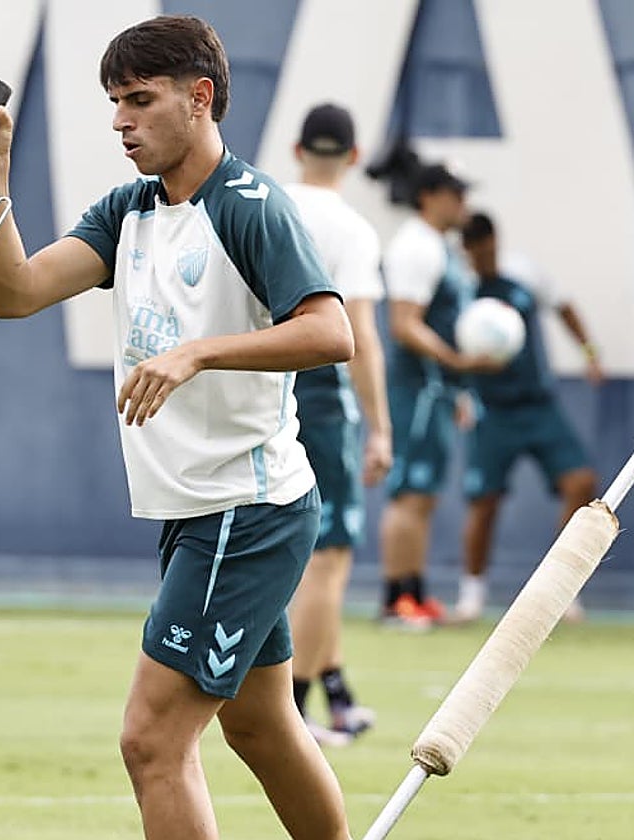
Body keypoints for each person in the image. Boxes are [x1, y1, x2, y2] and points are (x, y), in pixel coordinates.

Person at [0, 15, 353, 840]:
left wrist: (199, 354)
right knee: (259, 727)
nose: (119, 122)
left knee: (152, 739)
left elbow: (329, 333)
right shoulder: (128, 211)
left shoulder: (250, 207)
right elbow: (16, 291)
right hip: (196, 508)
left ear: (199, 98)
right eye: (112, 102)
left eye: (140, 100)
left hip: (245, 508)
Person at [284, 104, 391, 745]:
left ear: (298, 149)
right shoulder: (351, 228)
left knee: (308, 556)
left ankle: (335, 691)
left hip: (258, 379)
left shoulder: (266, 204)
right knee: (330, 556)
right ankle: (292, 712)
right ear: (353, 157)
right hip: (320, 393)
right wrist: (381, 427)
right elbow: (361, 337)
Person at [454, 211, 601, 622]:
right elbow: (452, 351)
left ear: (495, 241)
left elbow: (564, 306)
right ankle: (472, 595)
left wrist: (588, 353)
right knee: (484, 501)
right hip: (492, 411)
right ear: (465, 250)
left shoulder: (524, 274)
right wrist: (461, 395)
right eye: (474, 249)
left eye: (488, 246)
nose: (483, 255)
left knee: (581, 481)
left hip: (539, 405)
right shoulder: (462, 289)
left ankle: (561, 589)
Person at [377, 163, 498, 629]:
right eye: (455, 194)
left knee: (423, 496)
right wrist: (455, 363)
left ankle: (415, 593)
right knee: (409, 492)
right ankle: (395, 599)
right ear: (428, 195)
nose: (463, 203)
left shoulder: (440, 247)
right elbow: (404, 324)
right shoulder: (414, 246)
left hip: (440, 392)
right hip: (419, 393)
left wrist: (461, 386)